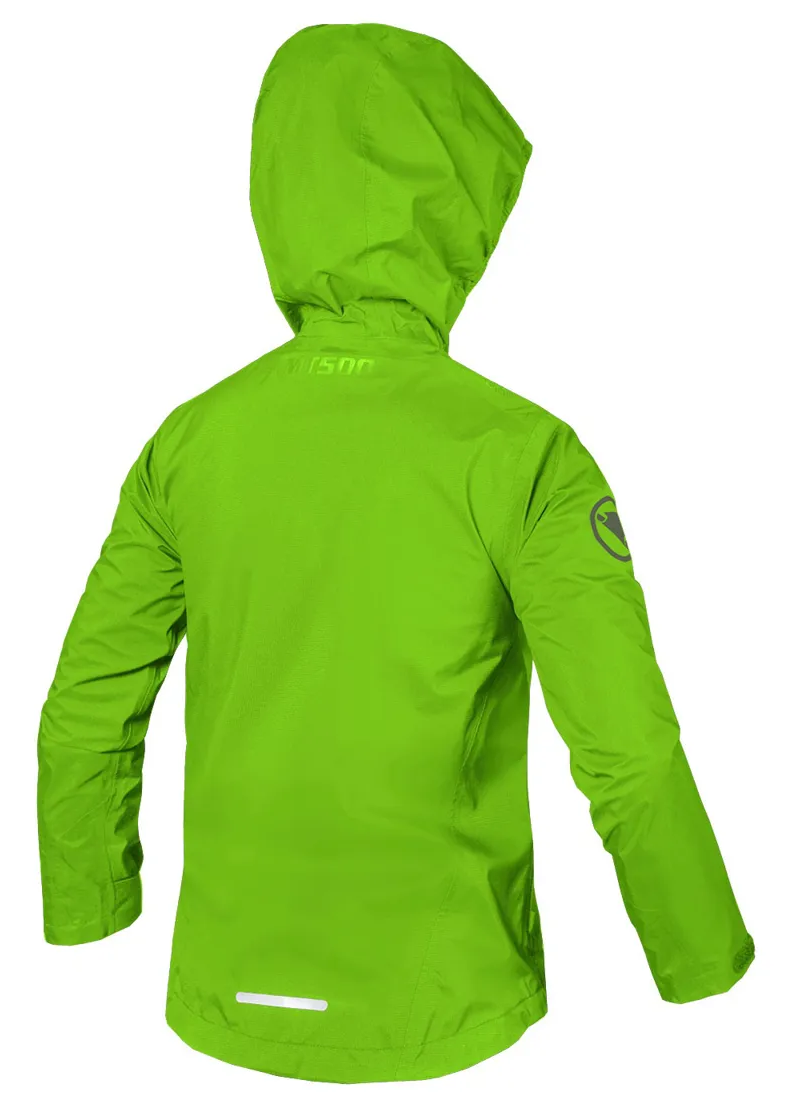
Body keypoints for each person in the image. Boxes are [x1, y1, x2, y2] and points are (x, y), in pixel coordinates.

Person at [38, 22, 753, 1083]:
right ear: (454, 207)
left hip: (224, 1005)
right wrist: (701, 963)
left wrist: (89, 907)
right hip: (449, 1015)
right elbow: (627, 746)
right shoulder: (523, 453)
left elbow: (86, 706)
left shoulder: (188, 443)